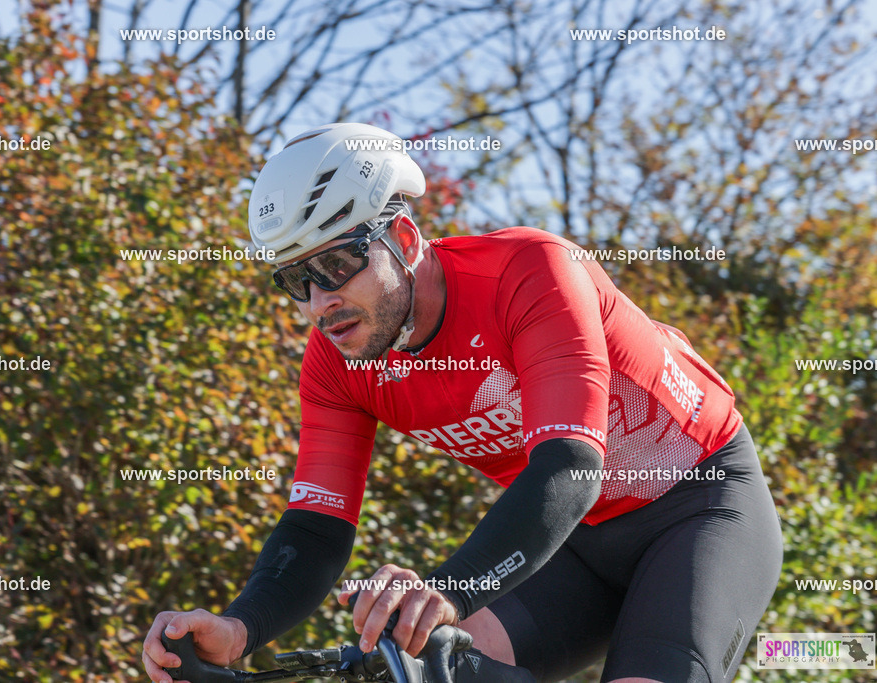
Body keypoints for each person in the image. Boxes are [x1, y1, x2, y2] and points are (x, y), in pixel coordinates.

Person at [142, 123, 783, 683]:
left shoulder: (529, 271)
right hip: (574, 544)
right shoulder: (337, 359)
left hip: (699, 508)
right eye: (294, 280)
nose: (318, 303)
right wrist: (241, 629)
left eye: (335, 264)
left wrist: (446, 591)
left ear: (404, 237)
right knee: (423, 668)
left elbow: (570, 467)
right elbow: (316, 525)